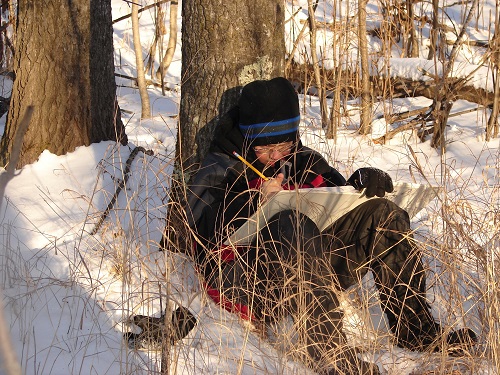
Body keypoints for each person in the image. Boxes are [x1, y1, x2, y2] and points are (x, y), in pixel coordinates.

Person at [177, 77, 476, 374]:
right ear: (248, 140)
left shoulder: (304, 160)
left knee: (382, 213)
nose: (276, 156)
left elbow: (339, 203)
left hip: (311, 273)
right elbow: (200, 236)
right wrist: (253, 202)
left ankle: (414, 329)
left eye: (284, 145)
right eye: (265, 149)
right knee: (289, 222)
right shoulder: (220, 167)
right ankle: (330, 354)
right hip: (248, 284)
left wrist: (362, 181)